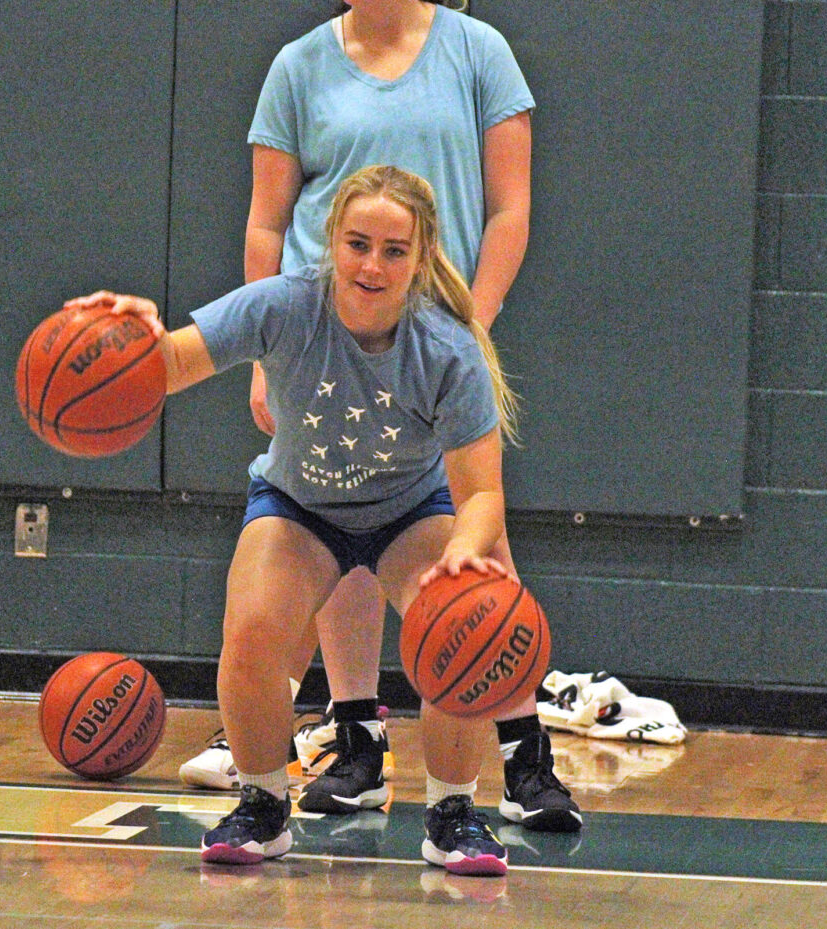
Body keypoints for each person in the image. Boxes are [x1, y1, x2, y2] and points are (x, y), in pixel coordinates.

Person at [179, 0, 581, 833]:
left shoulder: (479, 53)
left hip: (432, 330)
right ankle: (356, 736)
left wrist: (474, 326)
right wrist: (264, 355)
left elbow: (510, 206)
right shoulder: (298, 64)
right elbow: (266, 219)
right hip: (319, 335)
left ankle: (518, 751)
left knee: (471, 560)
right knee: (331, 523)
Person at [67, 165, 525, 874]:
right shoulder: (283, 305)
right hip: (300, 507)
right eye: (357, 243)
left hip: (412, 512)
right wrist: (121, 334)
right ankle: (262, 804)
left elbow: (484, 496)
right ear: (331, 242)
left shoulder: (447, 346)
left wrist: (463, 554)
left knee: (465, 626)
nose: (372, 264)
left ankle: (453, 814)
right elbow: (168, 364)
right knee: (251, 632)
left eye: (394, 250)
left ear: (422, 256)